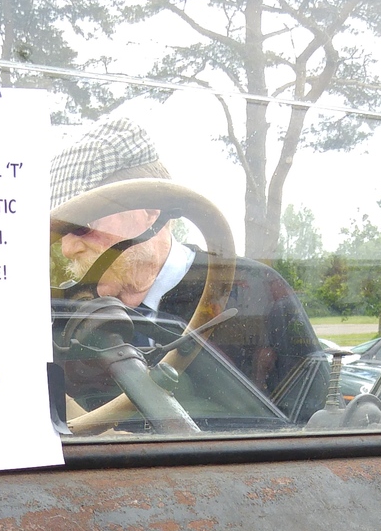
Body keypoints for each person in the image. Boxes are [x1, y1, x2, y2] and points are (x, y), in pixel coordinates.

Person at [48, 120, 326, 423]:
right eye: (62, 234)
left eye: (82, 227)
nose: (67, 249)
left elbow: (315, 418)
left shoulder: (255, 291)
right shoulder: (63, 318)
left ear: (151, 209)